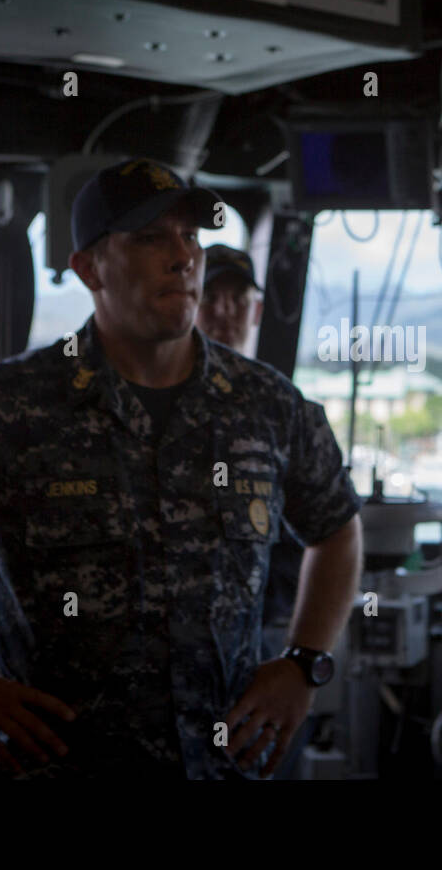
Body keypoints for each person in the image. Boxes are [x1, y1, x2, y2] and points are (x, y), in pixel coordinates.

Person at [0, 157, 363, 779]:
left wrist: (303, 663)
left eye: (191, 237)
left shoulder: (269, 406)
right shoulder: (3, 406)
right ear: (88, 268)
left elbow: (338, 527)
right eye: (149, 239)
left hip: (219, 767)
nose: (182, 257)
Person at [196, 244, 316, 778]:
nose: (224, 311)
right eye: (211, 297)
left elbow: (337, 531)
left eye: (236, 298)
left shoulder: (280, 409)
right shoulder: (167, 403)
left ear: (257, 310)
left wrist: (301, 661)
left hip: (272, 641)